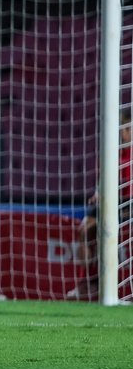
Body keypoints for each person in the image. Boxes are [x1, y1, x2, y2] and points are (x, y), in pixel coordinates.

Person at [68, 112, 133, 299]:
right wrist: (97, 193)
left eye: (128, 130)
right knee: (84, 230)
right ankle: (86, 281)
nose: (125, 134)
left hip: (130, 202)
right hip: (113, 200)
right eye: (123, 130)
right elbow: (102, 181)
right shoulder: (112, 153)